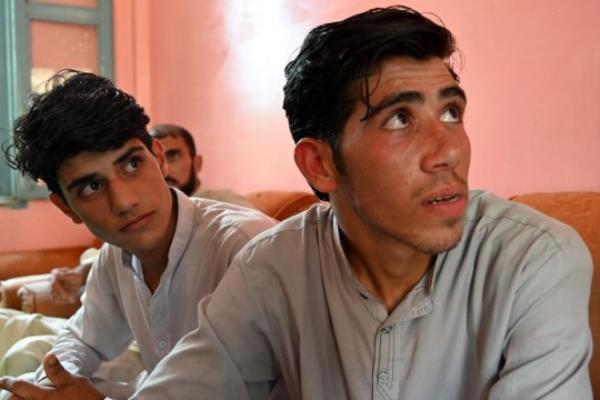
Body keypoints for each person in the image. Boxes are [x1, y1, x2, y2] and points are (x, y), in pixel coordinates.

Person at [0, 5, 593, 400]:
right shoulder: (276, 267)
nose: (448, 152)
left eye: (451, 111)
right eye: (400, 119)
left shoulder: (533, 262)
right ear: (320, 164)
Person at [0, 70, 274, 398]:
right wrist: (50, 385)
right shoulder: (115, 256)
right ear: (65, 207)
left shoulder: (248, 249)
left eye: (131, 164)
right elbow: (84, 339)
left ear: (159, 158)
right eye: (92, 186)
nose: (125, 202)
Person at [149, 123, 254, 207]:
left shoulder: (226, 204)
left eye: (173, 156)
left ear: (197, 163)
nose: (164, 168)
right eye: (155, 159)